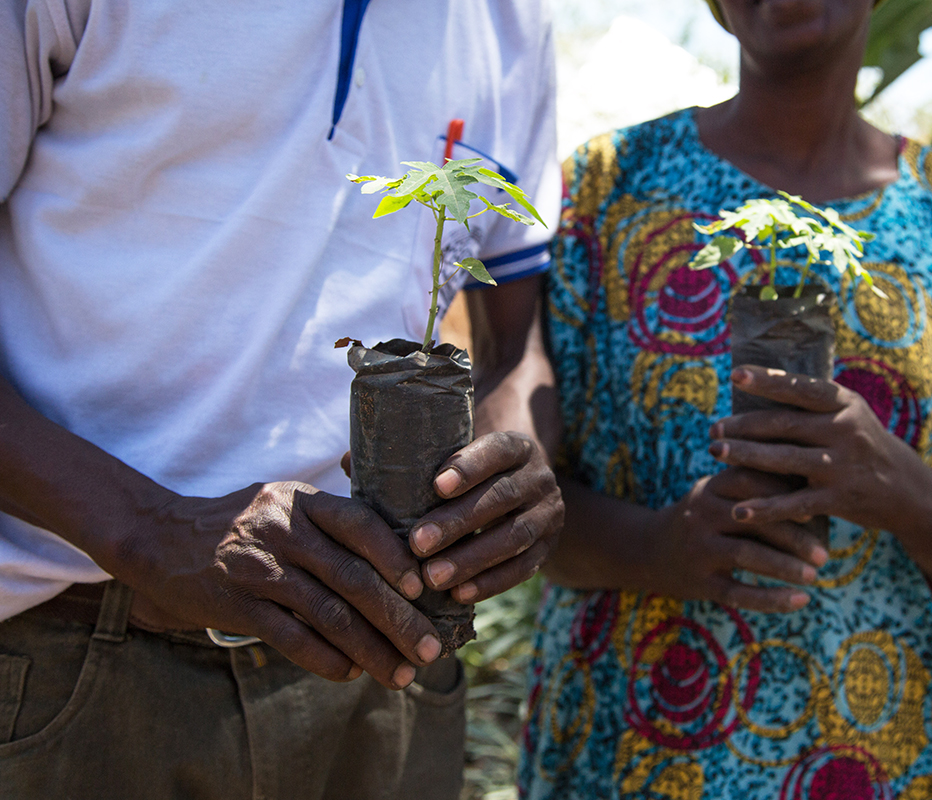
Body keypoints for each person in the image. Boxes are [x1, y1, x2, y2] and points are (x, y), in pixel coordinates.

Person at [519, 1, 932, 798]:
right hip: (630, 757)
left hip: (888, 762)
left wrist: (901, 489)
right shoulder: (607, 192)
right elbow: (527, 503)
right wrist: (656, 547)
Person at [0, 2, 561, 798]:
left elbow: (519, 344)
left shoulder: (507, 21)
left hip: (385, 654)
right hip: (77, 657)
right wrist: (143, 529)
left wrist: (507, 469)